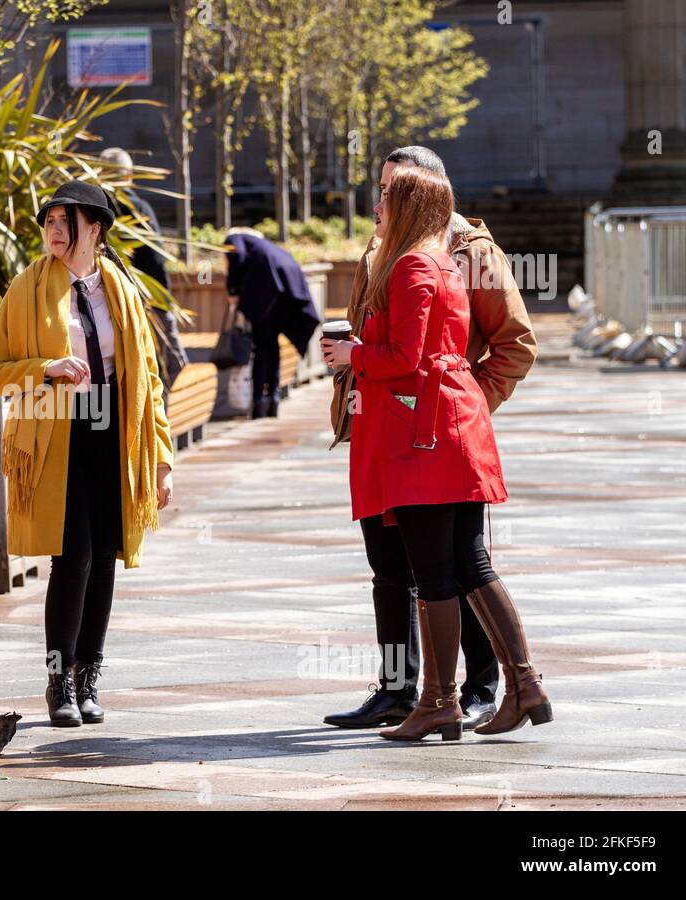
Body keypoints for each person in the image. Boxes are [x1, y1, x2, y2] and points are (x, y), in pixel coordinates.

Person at [320, 165, 551, 741]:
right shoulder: (441, 260)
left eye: (387, 195)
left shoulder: (414, 263)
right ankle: (520, 686)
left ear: (411, 204)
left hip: (423, 434)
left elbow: (406, 355)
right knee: (469, 562)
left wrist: (354, 355)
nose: (378, 204)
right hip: (447, 426)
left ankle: (442, 700)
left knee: (436, 571)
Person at [0, 179, 174, 727]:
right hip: (56, 434)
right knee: (73, 558)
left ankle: (90, 677)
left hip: (115, 434)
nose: (54, 232)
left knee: (106, 554)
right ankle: (58, 680)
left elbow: (149, 380)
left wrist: (161, 457)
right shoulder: (26, 288)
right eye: (48, 222)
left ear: (95, 228)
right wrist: (45, 369)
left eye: (65, 222)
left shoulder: (122, 289)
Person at [99, 147, 189, 400]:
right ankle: (157, 425)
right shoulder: (139, 207)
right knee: (165, 364)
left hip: (107, 301)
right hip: (148, 300)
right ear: (128, 175)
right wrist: (164, 302)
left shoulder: (94, 210)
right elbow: (156, 258)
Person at [224, 228, 321, 418]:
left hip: (267, 289)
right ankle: (273, 397)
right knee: (271, 343)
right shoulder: (263, 243)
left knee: (261, 344)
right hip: (286, 289)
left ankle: (260, 399)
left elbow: (237, 255)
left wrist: (233, 290)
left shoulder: (234, 237)